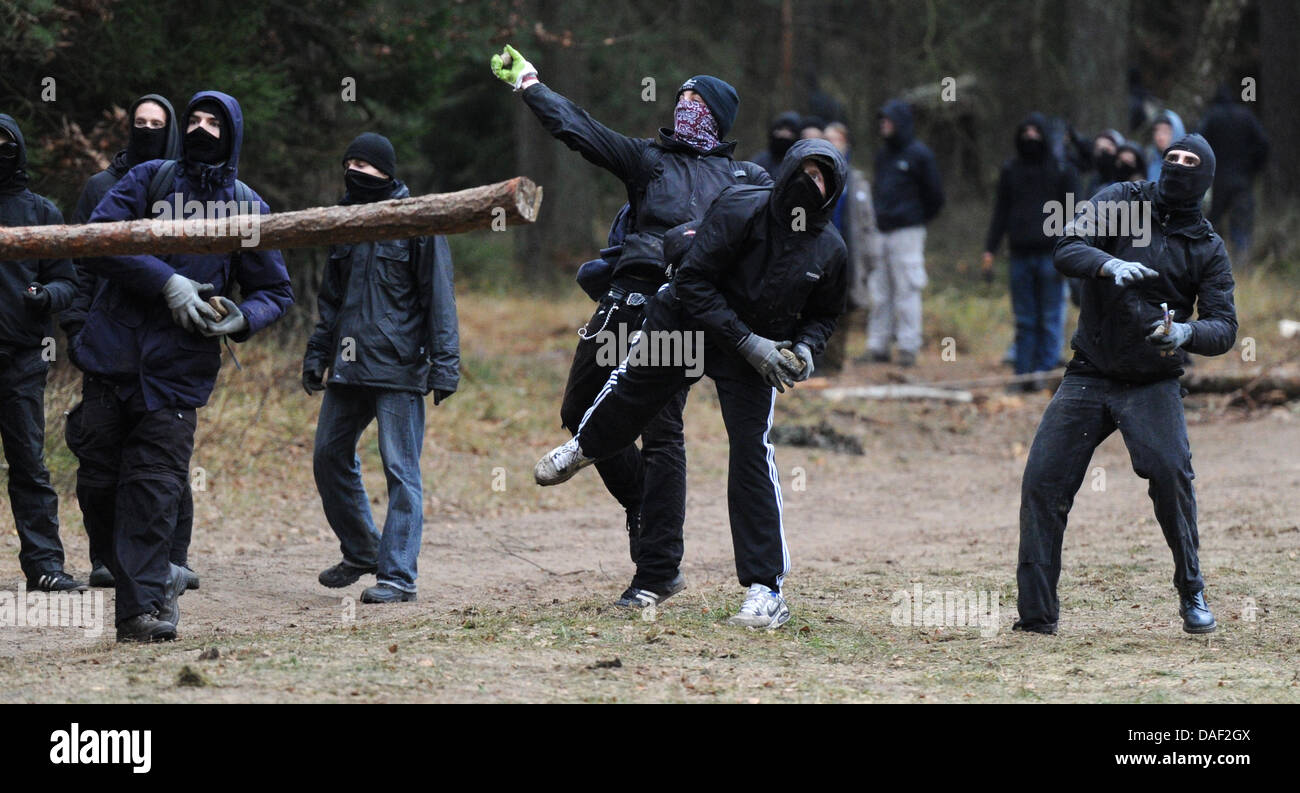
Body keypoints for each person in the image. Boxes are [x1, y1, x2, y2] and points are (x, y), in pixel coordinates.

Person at [491, 45, 771, 610]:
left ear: (718, 116)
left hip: (682, 312)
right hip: (624, 304)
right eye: (681, 99)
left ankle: (657, 570)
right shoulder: (650, 161)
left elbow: (770, 248)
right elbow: (582, 131)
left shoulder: (744, 180)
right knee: (578, 415)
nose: (685, 108)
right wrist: (530, 84)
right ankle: (644, 502)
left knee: (661, 432)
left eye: (697, 102)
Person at [533, 139, 849, 630]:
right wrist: (747, 341)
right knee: (632, 390)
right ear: (786, 174)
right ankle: (586, 446)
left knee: (750, 451)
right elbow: (694, 282)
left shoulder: (830, 249)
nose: (813, 184)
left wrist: (806, 347)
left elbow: (824, 313)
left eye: (824, 178)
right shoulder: (742, 211)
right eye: (806, 171)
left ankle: (767, 592)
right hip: (688, 323)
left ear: (836, 192)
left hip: (754, 357)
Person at [80, 91, 295, 642]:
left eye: (213, 123)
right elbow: (98, 239)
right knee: (101, 483)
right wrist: (166, 281)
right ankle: (157, 579)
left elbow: (276, 290)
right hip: (111, 358)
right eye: (194, 119)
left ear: (232, 135)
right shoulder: (149, 178)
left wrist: (242, 317)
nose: (201, 129)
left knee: (151, 491)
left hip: (178, 372)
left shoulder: (248, 206)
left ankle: (142, 610)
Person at [1015, 134, 1235, 636]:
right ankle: (1037, 616)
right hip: (1091, 370)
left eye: (1190, 162)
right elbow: (1067, 245)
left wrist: (1183, 332)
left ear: (1205, 178)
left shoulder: (1207, 247)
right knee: (1043, 481)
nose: (1177, 167)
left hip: (1153, 379)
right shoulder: (1123, 202)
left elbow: (1224, 327)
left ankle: (1192, 590)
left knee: (1171, 476)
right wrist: (1106, 263)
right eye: (1172, 157)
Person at [304, 133, 459, 604]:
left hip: (398, 364)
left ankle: (398, 576)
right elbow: (330, 301)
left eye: (367, 165)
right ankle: (362, 549)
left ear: (388, 173)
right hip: (349, 366)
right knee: (328, 456)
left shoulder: (417, 221)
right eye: (350, 162)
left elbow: (439, 296)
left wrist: (445, 364)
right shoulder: (344, 222)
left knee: (400, 470)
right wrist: (317, 353)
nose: (357, 171)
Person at [64, 94, 195, 591]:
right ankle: (106, 558)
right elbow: (79, 258)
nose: (146, 130)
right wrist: (76, 329)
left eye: (156, 124)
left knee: (164, 457)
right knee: (100, 459)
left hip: (169, 337)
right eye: (138, 123)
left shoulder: (187, 187)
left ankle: (170, 560)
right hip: (106, 336)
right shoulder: (102, 186)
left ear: (171, 131)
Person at [0, 114, 83, 592]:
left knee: (28, 465)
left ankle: (45, 565)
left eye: (5, 143)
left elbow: (68, 282)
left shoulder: (41, 211)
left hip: (22, 360)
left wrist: (44, 296)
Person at [982, 113, 1079, 385]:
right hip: (1019, 256)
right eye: (1026, 132)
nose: (1031, 138)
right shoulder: (1010, 169)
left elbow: (1075, 213)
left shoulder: (1062, 169)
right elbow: (1000, 211)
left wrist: (1073, 251)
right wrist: (989, 248)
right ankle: (1022, 373)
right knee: (1025, 319)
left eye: (1037, 132)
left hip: (1053, 255)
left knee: (1049, 319)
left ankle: (1044, 375)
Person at [866, 99, 943, 366]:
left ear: (900, 122)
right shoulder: (882, 155)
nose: (883, 125)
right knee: (879, 290)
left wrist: (916, 219)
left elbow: (935, 196)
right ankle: (878, 346)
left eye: (887, 120)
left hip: (907, 233)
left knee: (907, 290)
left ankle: (908, 347)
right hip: (881, 231)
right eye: (881, 121)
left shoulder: (920, 155)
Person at [823, 121, 879, 371]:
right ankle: (813, 359)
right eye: (827, 138)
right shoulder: (813, 173)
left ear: (845, 144)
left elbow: (867, 224)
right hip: (820, 251)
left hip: (848, 253)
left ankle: (834, 363)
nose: (831, 143)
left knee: (843, 308)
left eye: (836, 139)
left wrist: (869, 258)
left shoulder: (856, 180)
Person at [1199, 86, 1269, 257]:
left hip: (1217, 180)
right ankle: (1242, 259)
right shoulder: (1245, 116)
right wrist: (1254, 168)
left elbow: (1198, 143)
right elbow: (1263, 144)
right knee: (1242, 221)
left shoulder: (1212, 116)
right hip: (1243, 179)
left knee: (1213, 221)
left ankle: (1211, 257)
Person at [749, 111, 801, 176]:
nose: (783, 134)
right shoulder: (761, 160)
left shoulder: (800, 162)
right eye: (780, 129)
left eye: (788, 131)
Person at [1145, 110, 1185, 182]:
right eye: (1157, 131)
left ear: (1176, 132)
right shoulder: (1150, 160)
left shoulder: (1187, 166)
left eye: (1166, 131)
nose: (1160, 137)